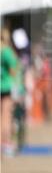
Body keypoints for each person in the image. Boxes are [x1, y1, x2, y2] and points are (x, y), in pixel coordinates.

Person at [0, 28, 18, 157]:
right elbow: (13, 71)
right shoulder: (6, 52)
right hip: (6, 87)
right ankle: (5, 143)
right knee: (6, 116)